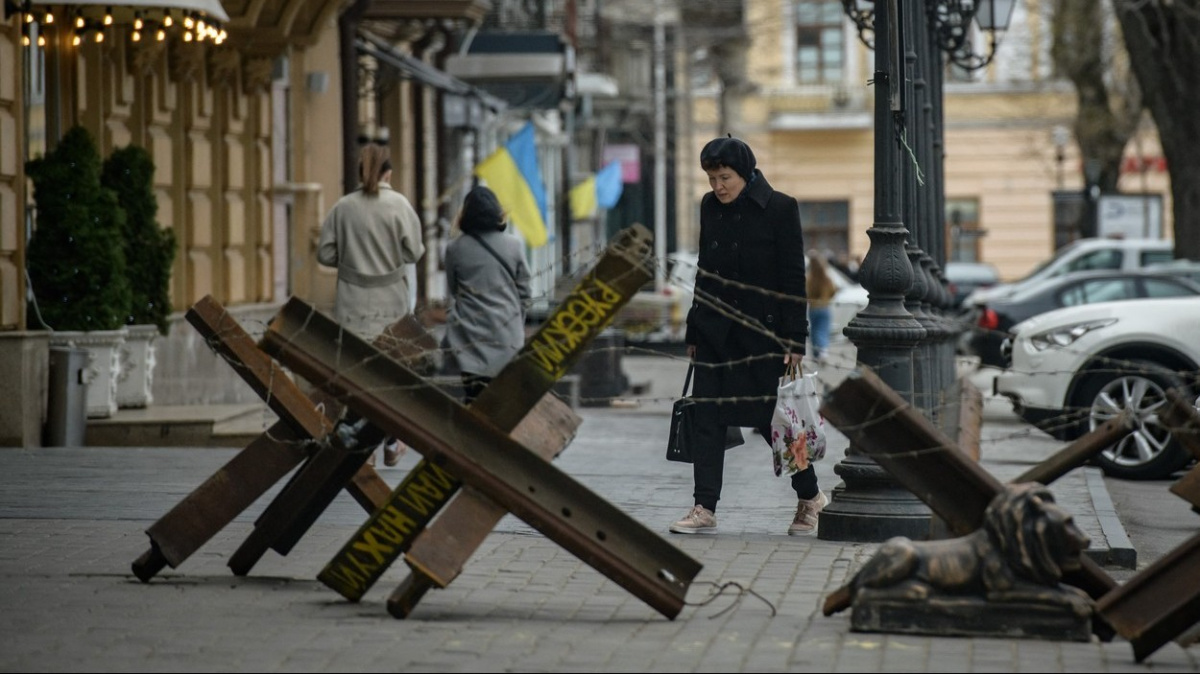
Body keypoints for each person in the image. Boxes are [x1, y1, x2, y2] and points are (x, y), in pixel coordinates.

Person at [670, 136, 827, 537]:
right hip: (714, 332)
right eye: (712, 179)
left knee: (772, 422)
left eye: (725, 177)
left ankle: (810, 497)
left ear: (745, 173)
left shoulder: (780, 208)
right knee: (707, 418)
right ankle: (704, 506)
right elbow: (704, 270)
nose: (718, 186)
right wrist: (693, 327)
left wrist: (795, 337)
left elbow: (792, 276)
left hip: (762, 335)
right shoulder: (709, 207)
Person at [317, 144, 425, 466]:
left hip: (352, 305)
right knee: (388, 376)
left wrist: (351, 260)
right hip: (390, 304)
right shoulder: (400, 205)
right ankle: (390, 442)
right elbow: (414, 252)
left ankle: (364, 452)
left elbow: (324, 254)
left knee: (357, 375)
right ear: (388, 174)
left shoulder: (343, 207)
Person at [443, 185, 532, 405]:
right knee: (504, 403)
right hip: (507, 334)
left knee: (475, 399)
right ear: (496, 212)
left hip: (469, 336)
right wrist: (516, 320)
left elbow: (454, 289)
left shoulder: (454, 249)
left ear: (465, 214)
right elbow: (525, 293)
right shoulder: (514, 245)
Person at [805, 251, 839, 363]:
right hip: (824, 306)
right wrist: (826, 297)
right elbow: (833, 290)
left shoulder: (809, 279)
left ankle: (816, 353)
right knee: (823, 329)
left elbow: (807, 293)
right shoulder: (826, 278)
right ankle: (823, 350)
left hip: (813, 308)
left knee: (814, 331)